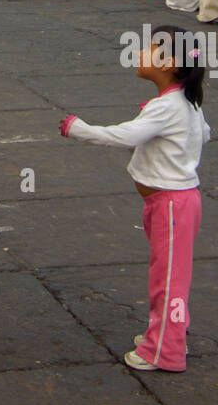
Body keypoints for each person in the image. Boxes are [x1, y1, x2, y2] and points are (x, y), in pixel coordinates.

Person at [60, 25, 210, 371]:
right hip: (170, 204)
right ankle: (167, 335)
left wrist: (79, 129)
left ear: (170, 63)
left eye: (149, 49)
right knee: (167, 275)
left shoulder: (169, 107)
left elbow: (126, 136)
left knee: (168, 280)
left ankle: (166, 351)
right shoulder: (185, 102)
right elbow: (204, 133)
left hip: (172, 204)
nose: (141, 54)